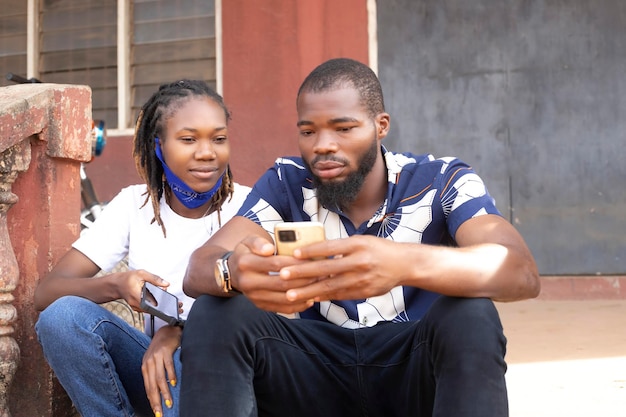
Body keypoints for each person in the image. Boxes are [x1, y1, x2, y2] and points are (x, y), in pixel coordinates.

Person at [179, 58, 540, 417]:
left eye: (343, 128)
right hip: (314, 375)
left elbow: (520, 271)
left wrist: (403, 264)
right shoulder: (287, 182)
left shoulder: (442, 180)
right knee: (218, 310)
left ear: (380, 126)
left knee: (471, 312)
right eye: (308, 132)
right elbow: (198, 269)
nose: (322, 145)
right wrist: (233, 271)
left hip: (412, 371)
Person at [34, 79, 250, 417]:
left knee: (188, 361)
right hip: (154, 364)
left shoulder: (250, 207)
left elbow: (260, 315)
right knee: (62, 318)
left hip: (225, 368)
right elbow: (47, 293)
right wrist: (116, 285)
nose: (207, 152)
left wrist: (177, 333)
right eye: (188, 139)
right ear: (159, 146)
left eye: (219, 139)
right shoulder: (134, 205)